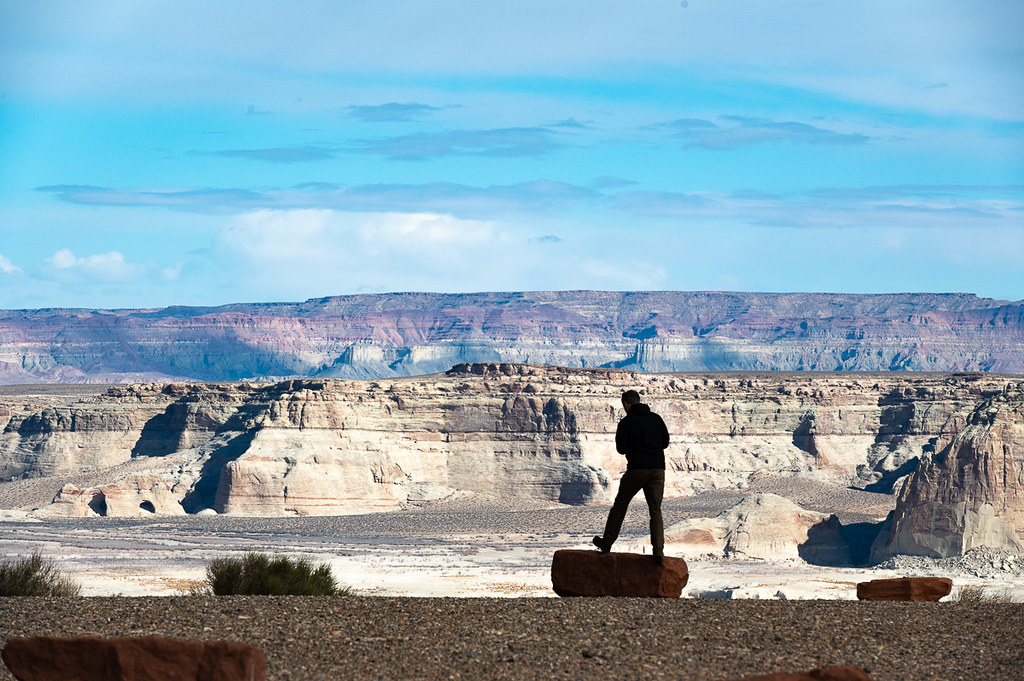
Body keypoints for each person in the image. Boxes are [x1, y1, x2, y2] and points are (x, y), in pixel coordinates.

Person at [593, 389, 670, 564]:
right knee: (655, 510)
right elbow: (665, 442)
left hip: (637, 469)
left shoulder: (626, 423)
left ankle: (607, 543)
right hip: (658, 469)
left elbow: (621, 449)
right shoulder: (656, 419)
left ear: (626, 404)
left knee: (620, 505)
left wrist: (636, 446)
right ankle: (658, 552)